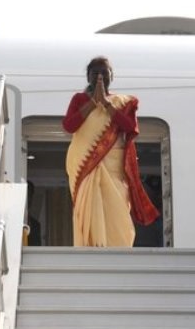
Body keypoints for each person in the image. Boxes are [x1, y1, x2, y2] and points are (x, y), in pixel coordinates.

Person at [62, 56, 159, 246]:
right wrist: (92, 103)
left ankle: (118, 252)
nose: (100, 77)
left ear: (111, 76)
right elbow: (69, 126)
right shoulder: (79, 99)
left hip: (113, 166)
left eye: (104, 73)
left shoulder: (123, 102)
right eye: (95, 73)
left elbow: (130, 127)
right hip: (83, 164)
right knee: (88, 207)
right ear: (88, 77)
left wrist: (106, 104)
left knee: (118, 210)